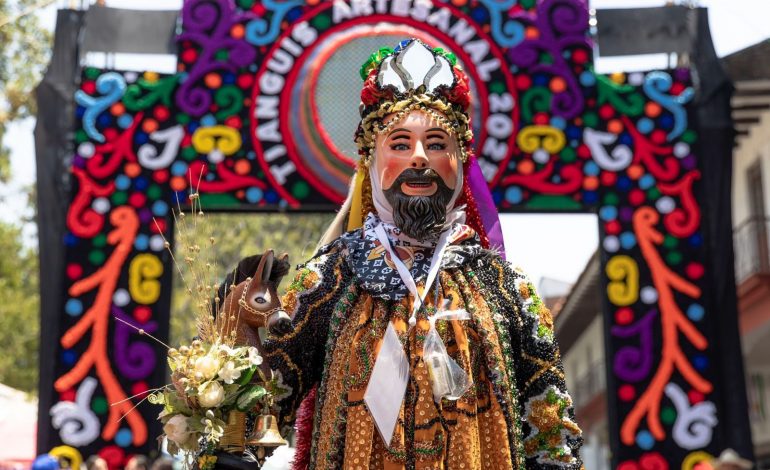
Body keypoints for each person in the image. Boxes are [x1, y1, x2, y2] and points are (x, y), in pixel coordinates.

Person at [261, 38, 583, 469]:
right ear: (370, 162)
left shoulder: (506, 288)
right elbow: (266, 397)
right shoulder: (331, 277)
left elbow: (551, 430)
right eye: (399, 144)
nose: (419, 158)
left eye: (436, 144)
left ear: (461, 160)